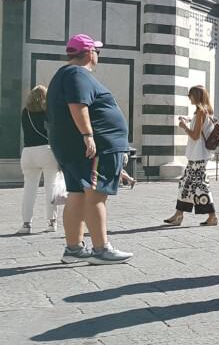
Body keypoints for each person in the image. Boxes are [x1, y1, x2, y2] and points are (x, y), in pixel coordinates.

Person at [47, 34, 133, 265]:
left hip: (74, 148)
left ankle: (74, 248)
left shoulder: (65, 74)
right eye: (97, 51)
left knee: (77, 194)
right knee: (96, 195)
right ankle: (101, 249)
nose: (97, 55)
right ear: (89, 53)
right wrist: (88, 135)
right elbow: (78, 104)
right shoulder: (78, 74)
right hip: (94, 148)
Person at [164, 86, 218, 226]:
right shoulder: (204, 112)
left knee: (200, 186)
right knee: (185, 184)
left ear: (197, 96)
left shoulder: (201, 112)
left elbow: (195, 136)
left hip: (198, 156)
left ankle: (212, 216)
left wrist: (184, 127)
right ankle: (178, 215)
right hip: (197, 155)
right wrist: (188, 120)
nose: (189, 98)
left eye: (191, 96)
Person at [18, 85, 61, 234]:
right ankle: (51, 223)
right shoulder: (49, 112)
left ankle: (26, 224)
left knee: (29, 189)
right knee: (51, 187)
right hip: (46, 151)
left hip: (28, 153)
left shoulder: (25, 112)